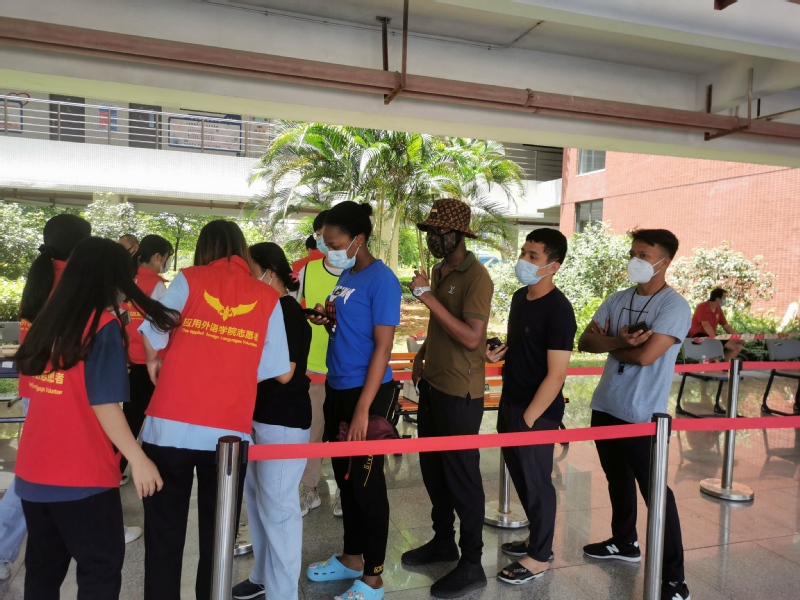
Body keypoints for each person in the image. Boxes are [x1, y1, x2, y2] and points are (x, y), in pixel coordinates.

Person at [14, 236, 178, 599]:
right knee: (100, 570)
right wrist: (138, 459)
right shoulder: (102, 326)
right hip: (80, 472)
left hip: (33, 469)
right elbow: (103, 404)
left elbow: (35, 389)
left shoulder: (45, 320)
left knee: (42, 571)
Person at [138, 220, 290, 600]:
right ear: (242, 248)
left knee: (163, 535)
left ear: (204, 247)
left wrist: (155, 360)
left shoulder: (189, 279)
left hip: (169, 426)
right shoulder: (267, 296)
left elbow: (153, 331)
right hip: (228, 435)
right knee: (218, 539)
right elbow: (273, 367)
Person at [577, 228, 692, 600]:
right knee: (617, 480)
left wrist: (610, 345)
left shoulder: (674, 306)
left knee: (657, 494)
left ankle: (674, 580)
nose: (635, 261)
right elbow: (585, 341)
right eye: (633, 253)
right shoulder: (618, 299)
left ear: (664, 262)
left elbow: (646, 356)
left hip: (644, 415)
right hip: (606, 405)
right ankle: (625, 542)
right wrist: (617, 341)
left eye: (644, 255)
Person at [304, 201, 401, 600]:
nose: (329, 250)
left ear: (358, 239)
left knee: (366, 486)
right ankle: (351, 558)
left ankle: (373, 578)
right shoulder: (348, 274)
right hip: (338, 386)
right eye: (326, 243)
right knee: (346, 480)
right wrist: (329, 322)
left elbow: (383, 347)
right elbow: (352, 328)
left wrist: (364, 409)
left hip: (368, 393)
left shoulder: (383, 280)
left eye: (334, 243)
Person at [401, 198, 493, 599]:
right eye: (430, 232)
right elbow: (441, 325)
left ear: (460, 235)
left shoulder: (477, 277)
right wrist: (421, 355)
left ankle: (472, 563)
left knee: (462, 477)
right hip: (434, 385)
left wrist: (427, 297)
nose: (434, 238)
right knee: (434, 470)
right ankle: (443, 541)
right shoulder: (439, 271)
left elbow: (472, 337)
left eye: (441, 232)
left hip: (461, 391)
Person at [487, 229, 576, 586]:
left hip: (537, 412)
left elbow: (556, 374)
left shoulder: (559, 310)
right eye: (524, 252)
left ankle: (539, 556)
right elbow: (523, 346)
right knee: (522, 476)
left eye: (533, 256)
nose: (524, 260)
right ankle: (536, 539)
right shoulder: (519, 298)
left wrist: (529, 417)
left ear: (553, 266)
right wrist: (497, 354)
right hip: (511, 401)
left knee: (538, 483)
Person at [232, 242, 312, 600]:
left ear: (270, 271)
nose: (247, 278)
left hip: (283, 420)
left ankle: (284, 592)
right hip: (258, 417)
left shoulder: (287, 311)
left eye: (251, 270)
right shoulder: (266, 308)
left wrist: (236, 364)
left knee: (279, 509)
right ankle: (263, 575)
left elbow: (285, 371)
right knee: (258, 502)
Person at [292, 209, 345, 517]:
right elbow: (291, 312)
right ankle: (309, 490)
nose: (329, 241)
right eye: (324, 235)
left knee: (343, 434)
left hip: (347, 369)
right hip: (313, 367)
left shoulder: (359, 272)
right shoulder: (308, 270)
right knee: (312, 432)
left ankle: (344, 492)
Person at [119, 235, 173, 481]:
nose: (166, 263)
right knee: (142, 418)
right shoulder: (156, 285)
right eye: (166, 258)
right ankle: (119, 468)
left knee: (127, 416)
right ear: (157, 257)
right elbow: (161, 326)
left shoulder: (125, 280)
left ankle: (115, 466)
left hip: (125, 358)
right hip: (147, 362)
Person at [687, 288, 743, 360]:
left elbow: (725, 325)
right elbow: (705, 324)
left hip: (712, 336)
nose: (725, 300)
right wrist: (714, 339)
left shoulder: (718, 309)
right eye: (724, 298)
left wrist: (736, 337)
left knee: (737, 347)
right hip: (698, 335)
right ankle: (713, 364)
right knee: (713, 348)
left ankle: (723, 365)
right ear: (717, 299)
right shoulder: (702, 307)